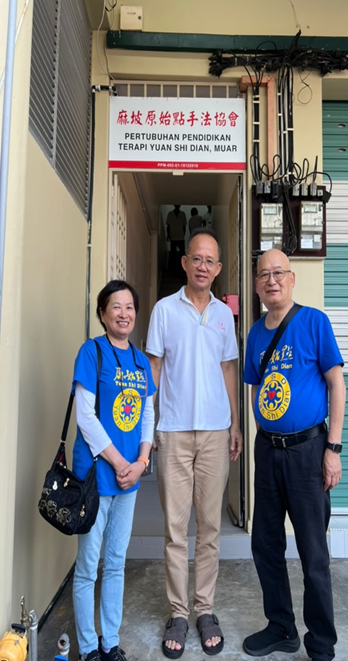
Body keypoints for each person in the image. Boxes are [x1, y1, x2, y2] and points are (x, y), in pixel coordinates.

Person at [243, 249, 346, 661]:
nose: (271, 280)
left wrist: (332, 449)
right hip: (268, 452)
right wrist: (262, 431)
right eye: (264, 275)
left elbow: (336, 385)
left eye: (278, 273)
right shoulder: (255, 333)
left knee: (312, 552)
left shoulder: (314, 322)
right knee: (265, 544)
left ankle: (321, 644)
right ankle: (281, 627)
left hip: (308, 451)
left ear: (291, 278)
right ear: (256, 285)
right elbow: (255, 385)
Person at [146, 228, 242, 659]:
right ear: (184, 263)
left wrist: (235, 424)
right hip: (173, 432)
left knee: (209, 528)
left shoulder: (224, 315)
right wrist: (148, 428)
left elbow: (228, 370)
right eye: (196, 259)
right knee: (174, 529)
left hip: (216, 432)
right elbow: (154, 369)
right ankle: (178, 613)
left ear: (218, 269)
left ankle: (204, 609)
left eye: (210, 261)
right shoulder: (164, 310)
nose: (203, 267)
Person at [72, 280, 156, 661]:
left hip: (129, 480)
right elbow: (85, 416)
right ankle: (89, 648)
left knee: (117, 563)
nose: (124, 314)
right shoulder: (91, 353)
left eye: (129, 307)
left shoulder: (141, 362)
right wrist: (122, 463)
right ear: (103, 314)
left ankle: (110, 643)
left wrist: (141, 462)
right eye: (115, 307)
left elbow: (147, 415)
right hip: (96, 477)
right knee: (89, 566)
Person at [166, 205, 187, 275]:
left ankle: (182, 270)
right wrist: (168, 235)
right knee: (173, 255)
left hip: (180, 237)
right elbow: (168, 226)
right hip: (173, 237)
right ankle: (173, 270)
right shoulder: (170, 214)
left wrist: (183, 236)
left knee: (182, 254)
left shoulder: (183, 214)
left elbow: (184, 226)